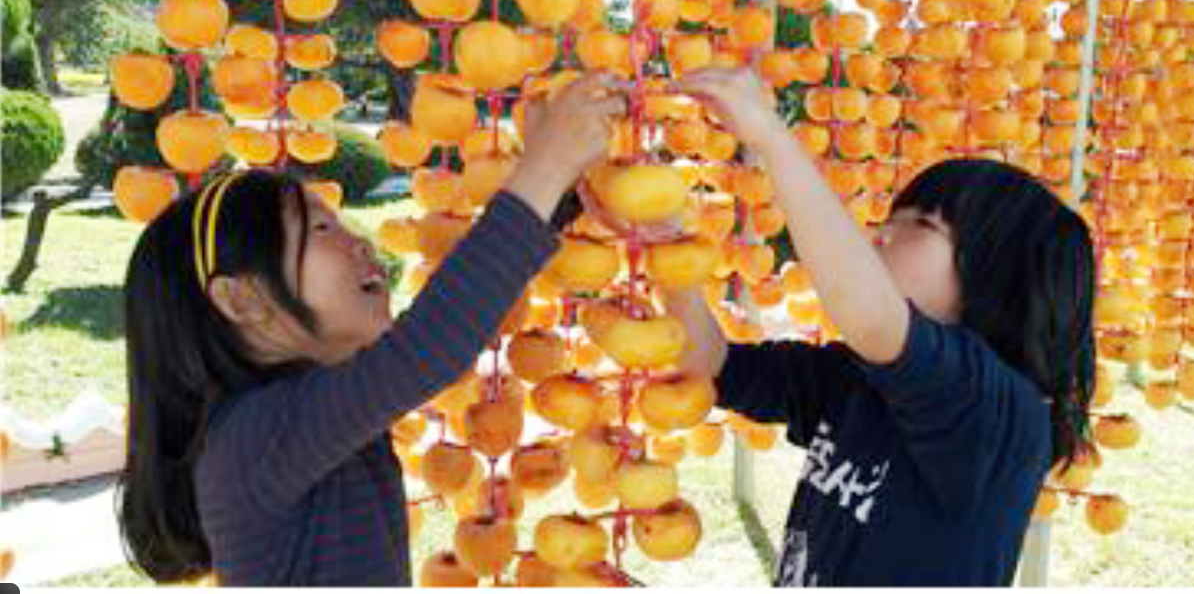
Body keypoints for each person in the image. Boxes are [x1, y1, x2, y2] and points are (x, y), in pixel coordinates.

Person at [116, 76, 624, 586]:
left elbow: (442, 326)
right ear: (242, 299)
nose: (358, 242)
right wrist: (545, 167)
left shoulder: (300, 421)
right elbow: (427, 347)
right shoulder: (251, 440)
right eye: (321, 228)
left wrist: (560, 193)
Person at [667, 65, 1097, 586]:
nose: (879, 236)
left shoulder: (997, 414)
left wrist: (772, 138)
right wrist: (664, 240)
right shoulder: (856, 376)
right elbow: (709, 365)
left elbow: (871, 316)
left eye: (920, 224)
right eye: (889, 219)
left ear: (1000, 278)